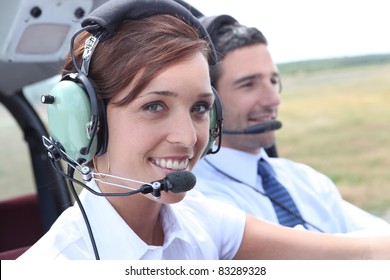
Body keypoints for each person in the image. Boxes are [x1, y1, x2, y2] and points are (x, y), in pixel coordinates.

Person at [18, 0, 390, 260]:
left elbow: (366, 254)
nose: (188, 137)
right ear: (84, 122)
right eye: (154, 106)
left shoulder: (199, 221)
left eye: (199, 108)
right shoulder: (56, 266)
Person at [192, 14, 390, 234]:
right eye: (249, 84)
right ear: (209, 102)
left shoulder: (306, 180)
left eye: (274, 81)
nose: (273, 100)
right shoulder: (199, 200)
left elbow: (378, 237)